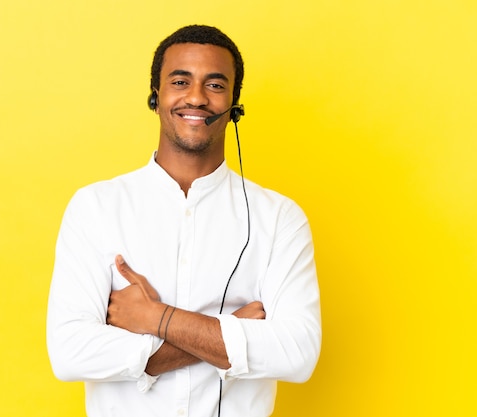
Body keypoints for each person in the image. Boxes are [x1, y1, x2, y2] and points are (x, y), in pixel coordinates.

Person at [46, 24, 321, 417]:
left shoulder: (279, 218)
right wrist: (229, 328)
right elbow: (70, 353)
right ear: (155, 98)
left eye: (214, 85)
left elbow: (297, 353)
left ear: (234, 104)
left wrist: (156, 318)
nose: (196, 97)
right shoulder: (95, 207)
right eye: (180, 81)